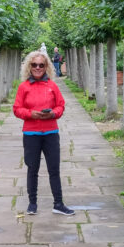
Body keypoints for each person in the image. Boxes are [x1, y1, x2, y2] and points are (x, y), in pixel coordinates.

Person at [12, 50, 74, 216]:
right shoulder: (24, 87)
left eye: (41, 65)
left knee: (54, 169)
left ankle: (58, 204)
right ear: (29, 67)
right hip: (31, 134)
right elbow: (17, 109)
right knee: (32, 168)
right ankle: (32, 203)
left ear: (47, 67)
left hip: (50, 132)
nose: (38, 68)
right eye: (34, 65)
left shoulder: (52, 86)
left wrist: (53, 113)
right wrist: (30, 114)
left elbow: (61, 105)